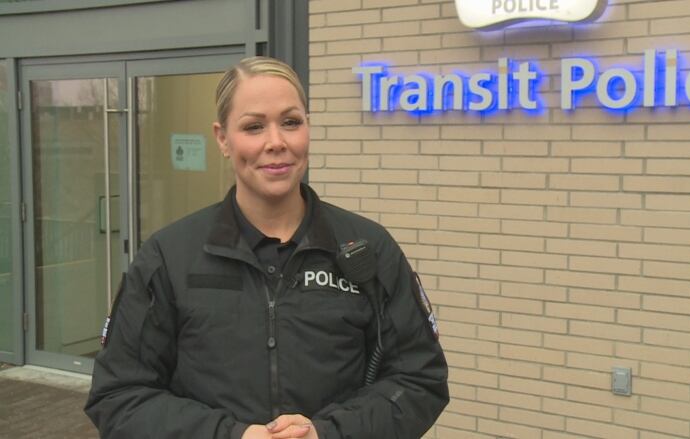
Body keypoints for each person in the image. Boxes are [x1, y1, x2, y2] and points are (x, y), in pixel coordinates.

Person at [84, 56, 449, 439]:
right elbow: (118, 397)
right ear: (222, 138)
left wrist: (329, 433)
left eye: (291, 122)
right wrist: (230, 435)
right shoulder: (169, 257)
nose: (276, 143)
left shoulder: (367, 249)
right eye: (254, 126)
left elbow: (420, 379)